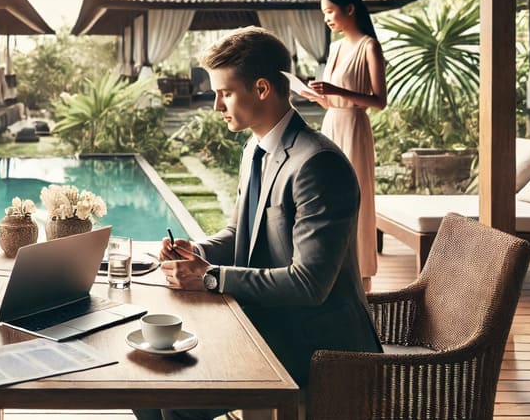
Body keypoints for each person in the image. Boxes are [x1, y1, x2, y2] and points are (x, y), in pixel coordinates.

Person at [136, 27, 381, 420]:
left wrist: (211, 277)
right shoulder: (256, 147)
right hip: (266, 320)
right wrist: (196, 252)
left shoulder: (317, 164)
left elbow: (309, 284)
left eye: (225, 92)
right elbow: (240, 235)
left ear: (263, 89)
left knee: (174, 401)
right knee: (146, 378)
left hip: (317, 343)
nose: (216, 105)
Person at [305, 0, 387, 293]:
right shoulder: (336, 48)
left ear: (349, 9)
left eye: (329, 11)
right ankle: (333, 267)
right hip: (333, 123)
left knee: (356, 198)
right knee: (329, 196)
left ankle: (362, 275)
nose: (326, 17)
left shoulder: (369, 46)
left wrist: (338, 91)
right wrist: (319, 97)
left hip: (354, 127)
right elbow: (333, 101)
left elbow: (379, 101)